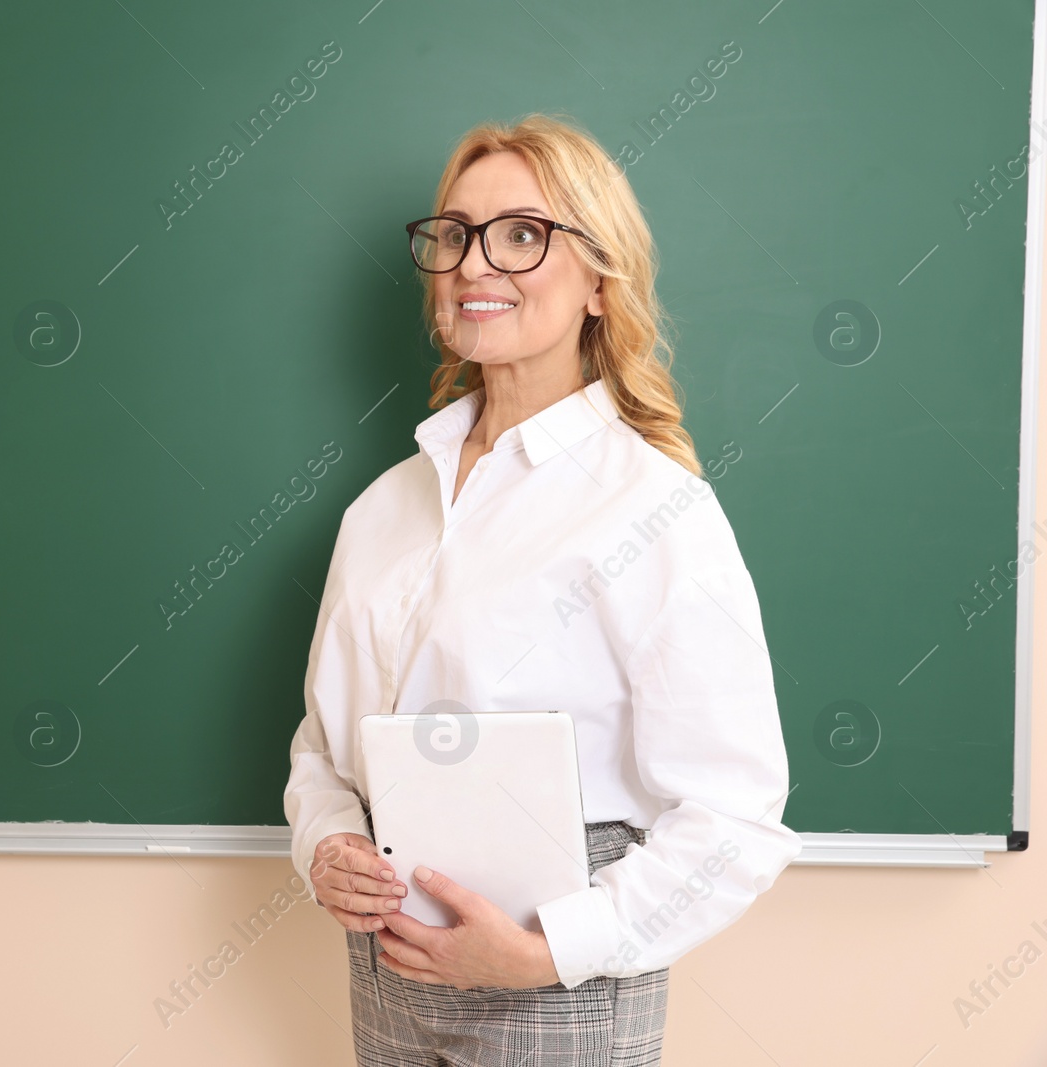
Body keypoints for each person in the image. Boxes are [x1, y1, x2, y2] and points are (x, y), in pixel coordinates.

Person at [282, 112, 801, 1066]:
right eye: (455, 234)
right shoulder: (383, 508)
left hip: (558, 975)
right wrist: (326, 845)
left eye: (523, 234)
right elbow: (323, 749)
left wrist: (548, 949)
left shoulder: (654, 508)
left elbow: (736, 817)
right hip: (387, 965)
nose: (476, 263)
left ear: (600, 280)